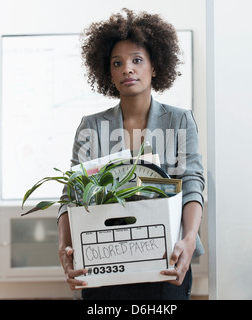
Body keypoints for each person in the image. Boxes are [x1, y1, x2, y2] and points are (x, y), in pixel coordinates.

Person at [56, 8, 205, 300]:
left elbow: (192, 183)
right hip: (104, 263)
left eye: (137, 60)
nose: (128, 69)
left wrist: (188, 240)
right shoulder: (91, 126)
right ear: (108, 72)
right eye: (117, 63)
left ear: (155, 66)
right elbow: (71, 192)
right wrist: (65, 247)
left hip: (166, 261)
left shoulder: (180, 121)